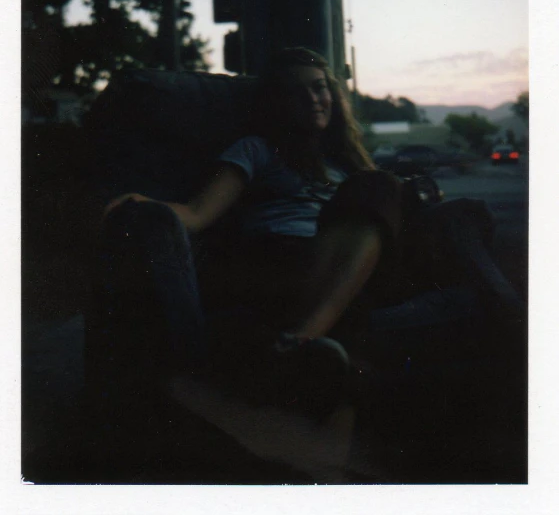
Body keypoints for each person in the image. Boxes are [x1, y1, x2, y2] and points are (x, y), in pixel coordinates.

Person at [100, 47, 522, 418]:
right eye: (295, 91)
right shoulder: (256, 149)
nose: (313, 99)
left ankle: (318, 353)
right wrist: (141, 202)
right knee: (377, 184)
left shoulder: (347, 164)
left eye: (320, 87)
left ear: (333, 95)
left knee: (447, 207)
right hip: (285, 259)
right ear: (275, 103)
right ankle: (307, 337)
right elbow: (197, 213)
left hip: (357, 271)